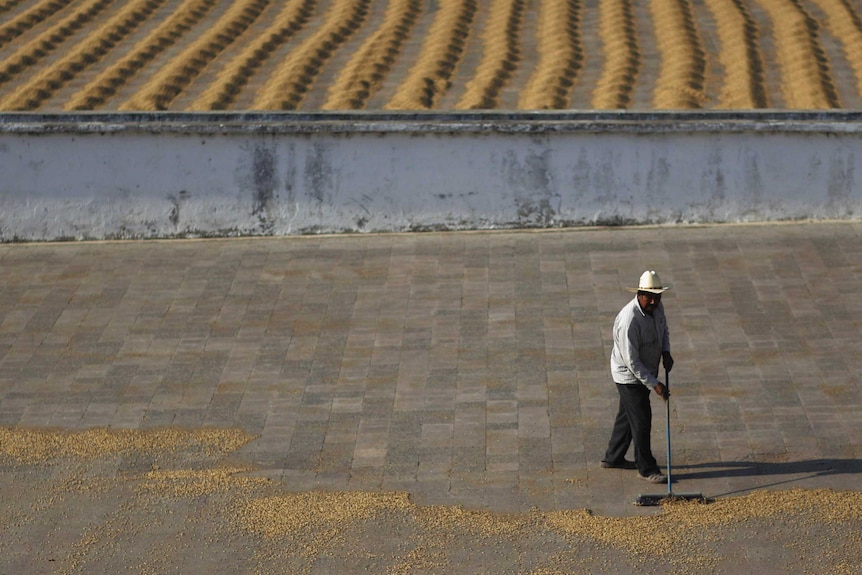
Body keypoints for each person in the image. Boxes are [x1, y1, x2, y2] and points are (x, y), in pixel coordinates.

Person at [601, 270, 674, 483]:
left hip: (646, 370)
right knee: (641, 419)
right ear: (639, 294)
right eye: (649, 296)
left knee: (627, 416)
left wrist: (666, 352)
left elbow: (664, 330)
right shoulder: (629, 320)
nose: (653, 301)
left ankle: (612, 457)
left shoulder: (658, 308)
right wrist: (655, 385)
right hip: (628, 376)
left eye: (657, 296)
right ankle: (647, 468)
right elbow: (631, 362)